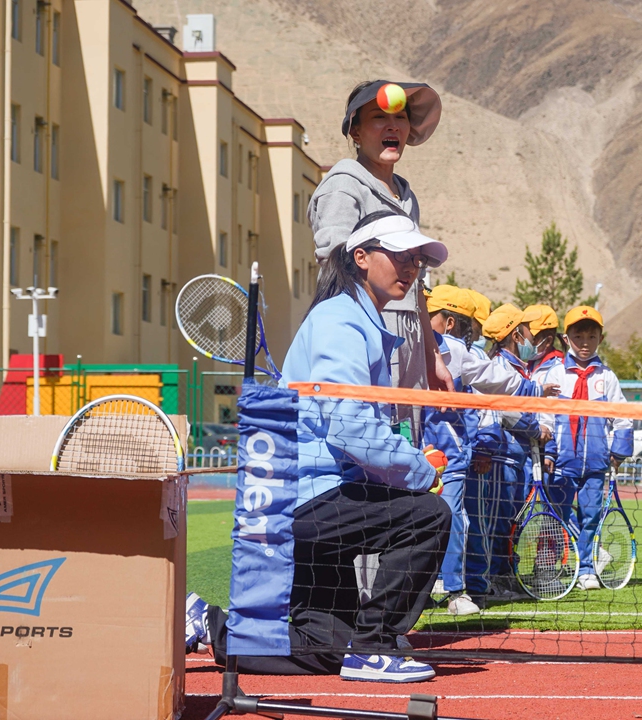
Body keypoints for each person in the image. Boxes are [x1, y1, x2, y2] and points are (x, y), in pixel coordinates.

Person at [185, 210, 452, 683]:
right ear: (362, 257)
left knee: (325, 647)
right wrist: (420, 471)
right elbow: (349, 428)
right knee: (427, 516)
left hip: (313, 499)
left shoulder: (354, 320)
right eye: (401, 255)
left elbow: (350, 426)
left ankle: (211, 623)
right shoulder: (341, 322)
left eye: (416, 259)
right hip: (306, 500)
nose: (411, 267)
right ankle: (375, 647)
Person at [309, 79, 453, 442]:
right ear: (355, 131)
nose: (393, 126)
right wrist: (359, 339)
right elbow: (335, 272)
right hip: (367, 332)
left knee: (407, 442)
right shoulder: (343, 186)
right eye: (378, 117)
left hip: (410, 338)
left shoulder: (406, 196)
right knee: (370, 441)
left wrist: (431, 354)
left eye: (401, 117)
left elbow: (414, 285)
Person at [423, 286, 547, 615]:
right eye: (467, 327)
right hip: (411, 455)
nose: (471, 334)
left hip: (452, 457)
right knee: (417, 525)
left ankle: (459, 590)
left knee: (458, 521)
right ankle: (420, 590)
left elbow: (492, 386)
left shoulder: (460, 353)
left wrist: (533, 389)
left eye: (469, 327)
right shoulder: (404, 348)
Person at [538, 306, 634, 591]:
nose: (584, 342)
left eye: (591, 336)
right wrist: (548, 453)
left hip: (595, 465)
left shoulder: (608, 378)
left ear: (600, 340)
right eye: (578, 336)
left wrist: (617, 454)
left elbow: (623, 418)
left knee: (590, 518)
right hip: (561, 464)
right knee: (553, 518)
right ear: (566, 338)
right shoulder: (554, 375)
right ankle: (546, 567)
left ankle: (588, 570)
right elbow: (546, 418)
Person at [472, 304, 551, 601]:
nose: (533, 337)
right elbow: (504, 409)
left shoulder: (521, 368)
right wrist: (535, 428)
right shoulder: (500, 367)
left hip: (520, 458)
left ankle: (508, 575)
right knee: (500, 522)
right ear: (516, 335)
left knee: (512, 522)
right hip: (503, 458)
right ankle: (495, 578)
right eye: (528, 330)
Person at [523, 304, 565, 376]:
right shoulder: (529, 365)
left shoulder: (559, 369)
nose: (526, 342)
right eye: (524, 337)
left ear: (548, 341)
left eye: (533, 339)